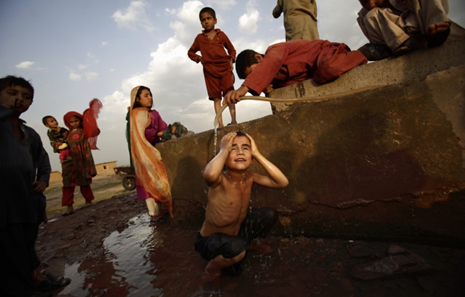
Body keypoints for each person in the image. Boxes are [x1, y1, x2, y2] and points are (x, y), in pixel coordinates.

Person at [0, 75, 70, 297]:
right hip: (4, 199)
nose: (20, 99)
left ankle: (34, 277)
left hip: (27, 198)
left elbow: (42, 162)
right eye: (12, 94)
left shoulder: (29, 134)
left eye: (26, 97)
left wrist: (43, 180)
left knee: (27, 239)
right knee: (10, 245)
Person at [194, 132, 289, 282]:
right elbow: (210, 175)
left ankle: (246, 245)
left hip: (236, 234)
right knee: (236, 257)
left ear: (251, 159)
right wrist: (223, 150)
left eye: (245, 148)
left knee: (269, 214)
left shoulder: (250, 177)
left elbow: (282, 182)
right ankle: (211, 268)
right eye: (233, 148)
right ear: (224, 159)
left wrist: (257, 153)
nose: (239, 152)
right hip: (209, 241)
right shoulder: (220, 180)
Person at [223, 40, 368, 104]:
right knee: (321, 75)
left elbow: (271, 62)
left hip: (327, 54)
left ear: (258, 57)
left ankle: (363, 53)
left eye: (253, 73)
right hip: (317, 74)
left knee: (328, 68)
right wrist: (269, 88)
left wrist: (244, 88)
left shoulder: (274, 51)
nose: (256, 76)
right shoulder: (275, 78)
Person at [129, 86, 173, 222]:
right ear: (137, 99)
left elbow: (163, 128)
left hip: (155, 150)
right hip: (143, 153)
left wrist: (171, 130)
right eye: (146, 95)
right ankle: (154, 213)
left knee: (161, 179)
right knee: (149, 181)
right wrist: (159, 133)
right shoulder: (135, 114)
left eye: (150, 95)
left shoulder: (155, 113)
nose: (150, 98)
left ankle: (165, 208)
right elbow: (142, 134)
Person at [188, 7, 237, 128]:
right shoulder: (200, 38)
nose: (206, 21)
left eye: (209, 18)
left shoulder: (221, 35)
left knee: (230, 94)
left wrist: (231, 60)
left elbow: (232, 50)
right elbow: (190, 52)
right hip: (209, 71)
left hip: (225, 68)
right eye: (203, 19)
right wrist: (199, 59)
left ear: (215, 20)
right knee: (216, 98)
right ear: (201, 23)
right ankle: (220, 124)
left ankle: (234, 120)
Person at [357, 0, 451, 60]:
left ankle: (438, 30)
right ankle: (404, 44)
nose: (371, 4)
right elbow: (376, 41)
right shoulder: (364, 15)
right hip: (397, 44)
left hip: (422, 26)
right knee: (370, 16)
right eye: (364, 2)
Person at [61, 99, 102, 215]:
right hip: (69, 161)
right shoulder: (67, 135)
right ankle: (69, 206)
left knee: (84, 181)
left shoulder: (85, 131)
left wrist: (90, 119)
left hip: (81, 161)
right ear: (68, 124)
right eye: (71, 122)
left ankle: (88, 201)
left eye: (76, 121)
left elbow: (95, 131)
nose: (74, 123)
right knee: (68, 183)